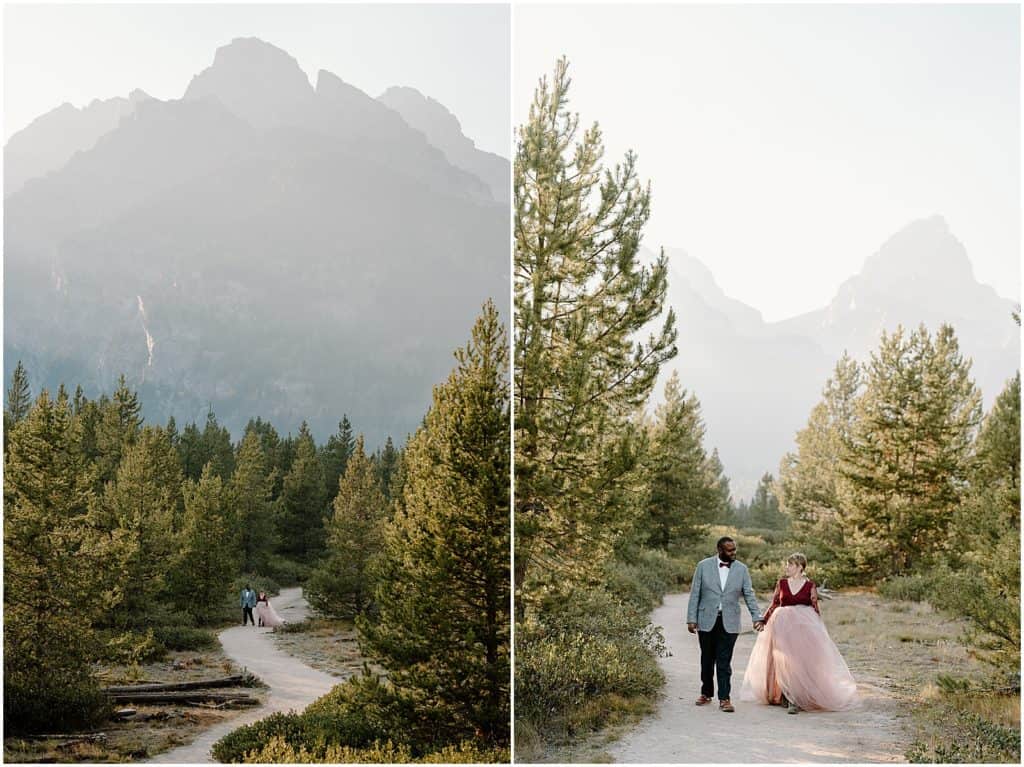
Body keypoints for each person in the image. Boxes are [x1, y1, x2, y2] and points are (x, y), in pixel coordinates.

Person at [739, 553, 858, 714]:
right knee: (783, 660)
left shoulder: (810, 586)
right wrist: (763, 620)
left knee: (799, 663)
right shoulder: (781, 583)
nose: (786, 567)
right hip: (781, 625)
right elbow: (774, 603)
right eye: (787, 565)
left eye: (790, 565)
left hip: (803, 628)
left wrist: (819, 632)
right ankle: (785, 696)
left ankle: (796, 698)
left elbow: (815, 608)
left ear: (800, 567)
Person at [687, 536, 765, 713]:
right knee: (707, 659)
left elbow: (749, 594)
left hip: (729, 621)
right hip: (706, 620)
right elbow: (695, 594)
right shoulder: (703, 566)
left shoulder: (742, 569)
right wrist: (691, 618)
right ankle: (706, 693)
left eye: (734, 549)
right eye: (730, 550)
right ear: (720, 550)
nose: (734, 553)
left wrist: (756, 616)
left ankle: (725, 698)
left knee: (724, 661)